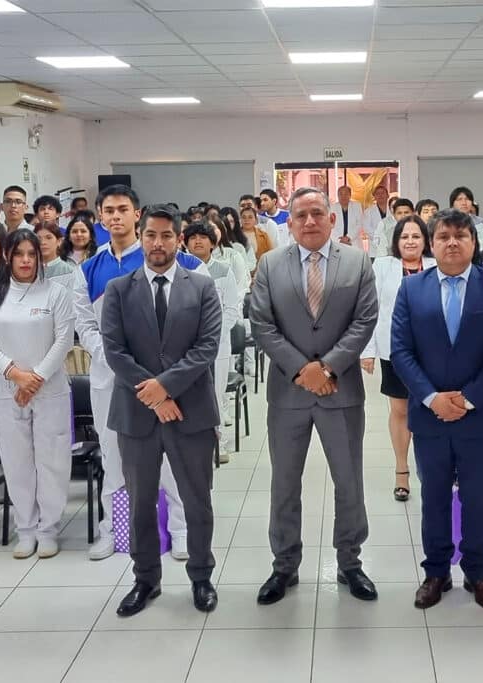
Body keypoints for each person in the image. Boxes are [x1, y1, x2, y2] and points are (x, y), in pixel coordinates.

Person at [249, 186, 378, 606]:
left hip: (341, 391)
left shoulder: (357, 263)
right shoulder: (269, 264)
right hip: (288, 393)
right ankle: (283, 565)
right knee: (284, 483)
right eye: (300, 215)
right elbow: (262, 324)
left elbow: (365, 320)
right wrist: (302, 370)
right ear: (289, 222)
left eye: (317, 213)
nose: (309, 221)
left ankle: (350, 562)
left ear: (331, 218)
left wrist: (327, 368)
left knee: (348, 482)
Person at [391, 208, 483, 610]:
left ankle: (478, 573)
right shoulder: (412, 289)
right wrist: (432, 398)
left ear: (473, 242)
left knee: (480, 496)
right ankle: (436, 571)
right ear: (432, 244)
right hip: (429, 416)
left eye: (460, 235)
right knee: (434, 496)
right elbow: (400, 350)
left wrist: (465, 399)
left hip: (478, 414)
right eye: (443, 235)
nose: (451, 242)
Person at [100, 204, 222, 617]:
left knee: (196, 499)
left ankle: (202, 577)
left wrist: (166, 388)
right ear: (141, 235)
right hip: (136, 414)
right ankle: (145, 579)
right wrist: (154, 395)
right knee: (140, 503)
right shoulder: (119, 289)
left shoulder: (202, 286)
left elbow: (206, 348)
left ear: (179, 238)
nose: (158, 243)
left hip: (192, 412)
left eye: (167, 236)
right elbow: (114, 351)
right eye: (150, 235)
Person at [78, 191, 203, 562]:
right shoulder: (89, 268)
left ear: (137, 215)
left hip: (164, 381)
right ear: (100, 217)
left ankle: (178, 529)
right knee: (113, 456)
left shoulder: (168, 260)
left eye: (123, 210)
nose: (116, 217)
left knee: (170, 456)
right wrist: (115, 361)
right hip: (110, 381)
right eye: (109, 211)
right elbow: (84, 324)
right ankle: (116, 530)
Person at [0, 230, 74, 559]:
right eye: (19, 254)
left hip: (50, 389)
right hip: (7, 390)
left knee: (52, 459)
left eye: (32, 254)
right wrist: (16, 375)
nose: (27, 260)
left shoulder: (56, 293)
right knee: (17, 462)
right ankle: (26, 529)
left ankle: (48, 529)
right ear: (7, 256)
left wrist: (37, 377)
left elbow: (64, 339)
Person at [360, 216, 435, 501]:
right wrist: (367, 351)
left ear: (425, 240)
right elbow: (370, 308)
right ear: (396, 241)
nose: (410, 241)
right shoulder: (383, 266)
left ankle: (431, 470)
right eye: (405, 237)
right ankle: (401, 470)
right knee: (401, 411)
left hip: (433, 352)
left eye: (416, 236)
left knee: (431, 410)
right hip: (396, 350)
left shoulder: (436, 266)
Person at [184, 221, 243, 461]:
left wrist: (213, 335)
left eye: (203, 237)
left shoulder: (223, 269)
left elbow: (231, 307)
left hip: (217, 343)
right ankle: (192, 444)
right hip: (187, 345)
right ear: (185, 243)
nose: (198, 241)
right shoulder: (180, 269)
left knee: (216, 395)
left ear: (212, 242)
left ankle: (220, 443)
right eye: (193, 237)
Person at [218, 206, 257, 272]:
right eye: (226, 221)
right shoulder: (214, 240)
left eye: (231, 221)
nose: (228, 224)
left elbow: (252, 263)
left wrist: (239, 267)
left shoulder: (242, 241)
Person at [239, 206, 275, 271]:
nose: (246, 220)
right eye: (244, 217)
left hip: (260, 273)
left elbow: (271, 256)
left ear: (255, 220)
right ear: (240, 220)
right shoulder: (234, 236)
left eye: (250, 217)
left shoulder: (264, 236)